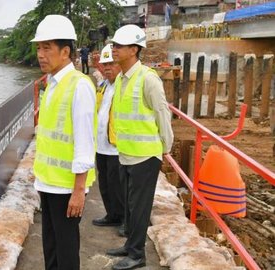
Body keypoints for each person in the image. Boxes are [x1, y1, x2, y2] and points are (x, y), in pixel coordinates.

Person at [31, 14, 97, 270]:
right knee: (50, 244)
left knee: (66, 248)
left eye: (47, 47)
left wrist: (79, 191)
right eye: (38, 47)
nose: (40, 54)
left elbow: (84, 143)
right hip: (48, 182)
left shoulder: (79, 86)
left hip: (66, 187)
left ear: (65, 51)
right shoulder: (52, 83)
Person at [105, 24, 173, 270]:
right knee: (129, 206)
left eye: (119, 46)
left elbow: (161, 112)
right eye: (114, 45)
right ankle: (130, 245)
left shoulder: (147, 78)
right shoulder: (122, 78)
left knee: (139, 207)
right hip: (125, 154)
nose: (114, 49)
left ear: (134, 49)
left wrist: (166, 145)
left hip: (145, 156)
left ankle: (137, 255)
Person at [91, 44, 124, 230]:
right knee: (104, 183)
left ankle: (123, 219)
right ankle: (111, 214)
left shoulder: (123, 86)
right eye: (105, 64)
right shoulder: (103, 86)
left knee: (118, 186)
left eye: (112, 63)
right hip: (101, 145)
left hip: (116, 146)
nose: (107, 68)